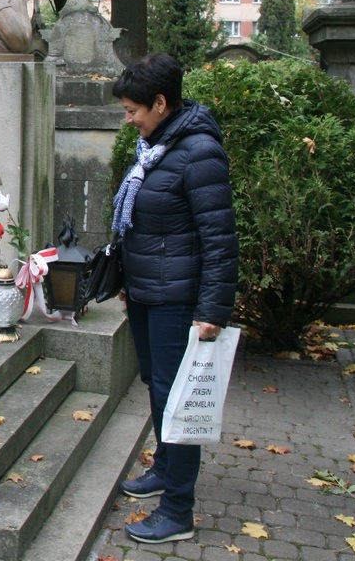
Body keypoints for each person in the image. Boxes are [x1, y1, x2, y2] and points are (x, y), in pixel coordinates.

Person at [110, 54, 239, 544]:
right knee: (157, 386)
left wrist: (211, 310)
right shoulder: (157, 147)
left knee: (176, 400)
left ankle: (178, 511)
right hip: (147, 292)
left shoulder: (199, 151)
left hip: (178, 299)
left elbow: (219, 239)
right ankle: (165, 469)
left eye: (132, 110)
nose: (129, 119)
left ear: (160, 103)